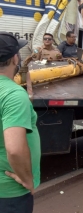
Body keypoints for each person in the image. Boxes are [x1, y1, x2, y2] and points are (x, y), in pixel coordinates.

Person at [0, 32, 41, 213]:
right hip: (10, 193)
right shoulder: (13, 95)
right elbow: (15, 149)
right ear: (15, 58)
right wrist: (27, 180)